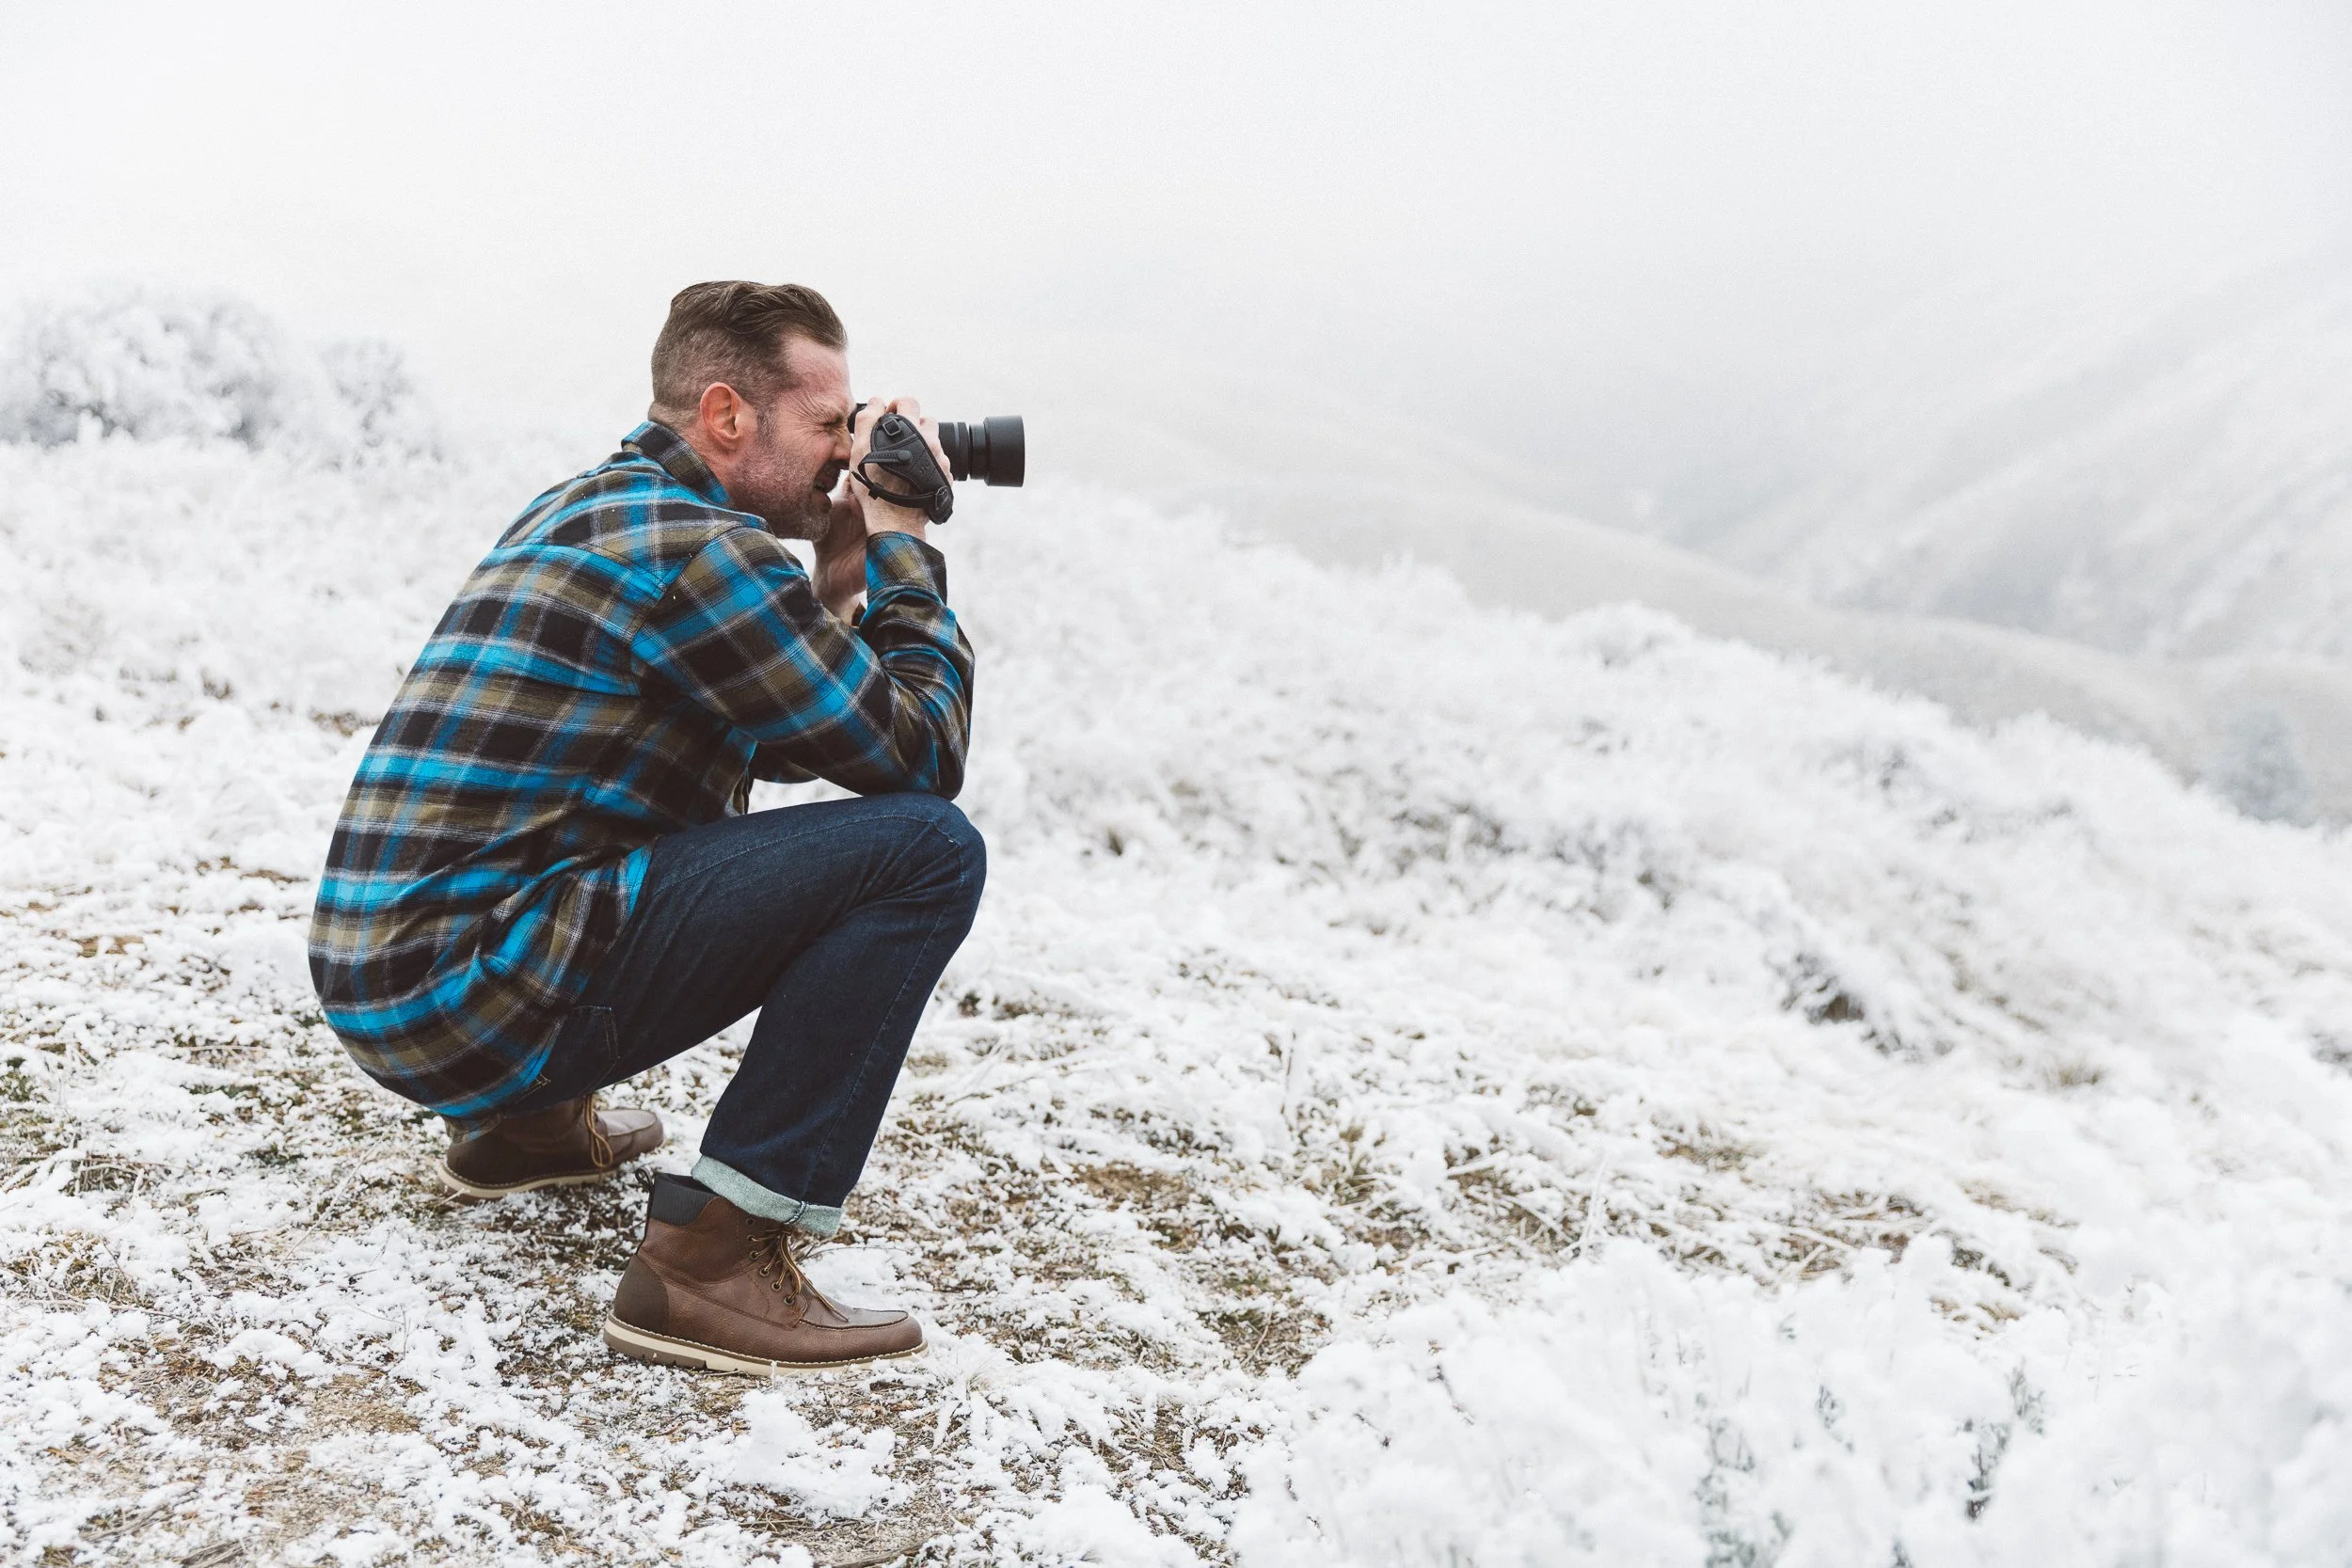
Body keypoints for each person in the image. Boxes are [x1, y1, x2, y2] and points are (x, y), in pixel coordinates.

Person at [308, 281, 983, 1374]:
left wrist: (847, 559)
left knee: (619, 837)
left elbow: (807, 728)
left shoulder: (593, 506)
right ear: (727, 416)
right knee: (927, 851)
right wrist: (905, 541)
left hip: (389, 991)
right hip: (466, 995)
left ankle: (522, 1130)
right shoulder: (705, 554)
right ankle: (711, 1261)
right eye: (827, 425)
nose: (844, 454)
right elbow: (919, 761)